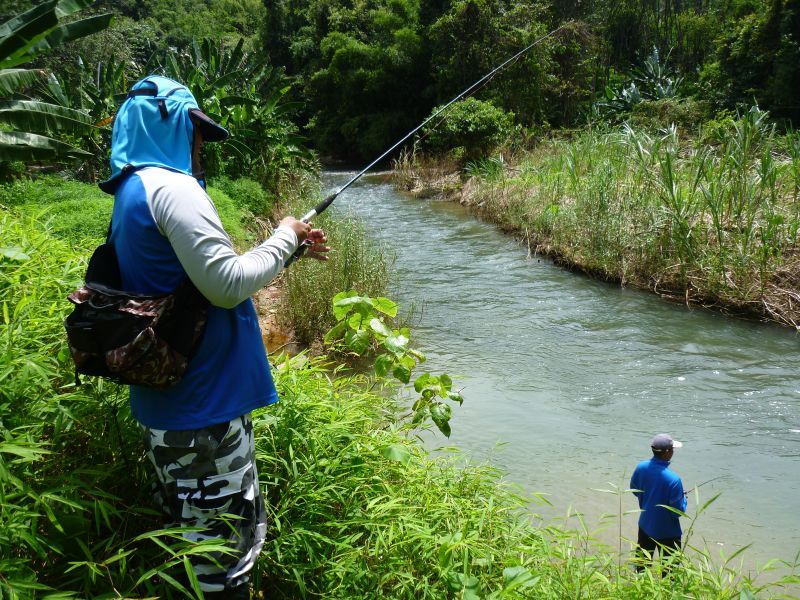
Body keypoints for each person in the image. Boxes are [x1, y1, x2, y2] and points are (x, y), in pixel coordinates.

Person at [99, 75, 329, 598]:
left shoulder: (134, 189)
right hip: (204, 405)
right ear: (167, 125)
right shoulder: (173, 188)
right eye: (194, 129)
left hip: (175, 405)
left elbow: (191, 282)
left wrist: (285, 249)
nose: (200, 143)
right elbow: (226, 285)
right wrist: (284, 235)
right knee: (222, 556)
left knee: (195, 538)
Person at [630, 433, 687, 573]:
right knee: (669, 573)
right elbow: (678, 512)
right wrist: (684, 499)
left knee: (641, 568)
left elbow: (634, 490)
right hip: (668, 532)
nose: (673, 452)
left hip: (645, 525)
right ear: (667, 452)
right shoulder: (674, 480)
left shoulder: (641, 467)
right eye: (672, 449)